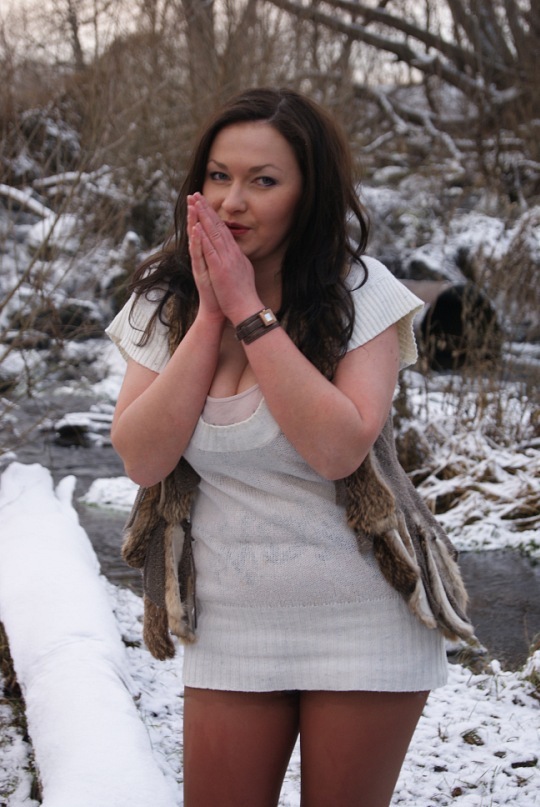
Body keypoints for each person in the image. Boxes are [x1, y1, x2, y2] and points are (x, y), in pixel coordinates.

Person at [106, 87, 471, 807]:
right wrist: (210, 314)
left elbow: (337, 449)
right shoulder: (164, 301)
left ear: (309, 195)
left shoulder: (360, 293)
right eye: (218, 176)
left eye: (264, 180)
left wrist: (249, 310)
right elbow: (142, 458)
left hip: (362, 616)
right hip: (231, 619)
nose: (232, 201)